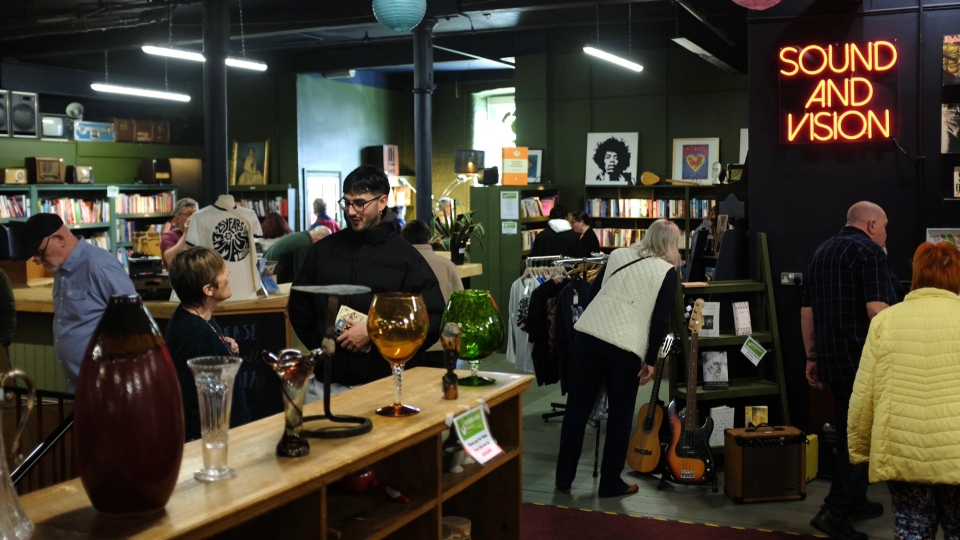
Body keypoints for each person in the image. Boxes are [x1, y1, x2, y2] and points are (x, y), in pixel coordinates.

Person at [288, 165, 445, 394]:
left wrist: (375, 333)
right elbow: (300, 305)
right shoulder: (323, 251)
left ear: (382, 203)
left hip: (384, 386)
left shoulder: (407, 259)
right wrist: (324, 345)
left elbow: (431, 318)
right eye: (347, 202)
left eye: (360, 203)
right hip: (326, 385)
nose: (351, 211)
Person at [555, 218, 680, 498]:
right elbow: (659, 320)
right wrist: (651, 359)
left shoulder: (618, 255)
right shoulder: (667, 272)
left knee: (576, 410)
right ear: (672, 244)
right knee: (621, 416)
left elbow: (592, 294)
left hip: (587, 336)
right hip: (624, 347)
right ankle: (610, 483)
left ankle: (563, 478)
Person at [848, 242, 960, 540]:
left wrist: (858, 450)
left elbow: (863, 394)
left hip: (901, 450)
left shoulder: (886, 321)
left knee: (911, 530)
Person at [802, 201, 900, 540]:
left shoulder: (821, 252)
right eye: (885, 227)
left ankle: (855, 501)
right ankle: (835, 510)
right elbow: (877, 310)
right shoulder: (871, 253)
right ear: (871, 224)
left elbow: (809, 310)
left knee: (852, 432)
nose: (886, 234)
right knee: (858, 437)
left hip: (833, 359)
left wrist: (811, 356)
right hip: (863, 360)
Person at [16, 213, 136, 392]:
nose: (38, 261)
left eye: (40, 253)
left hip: (108, 388)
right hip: (78, 387)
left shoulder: (100, 266)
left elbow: (136, 322)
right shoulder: (59, 268)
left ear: (60, 239)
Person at [165, 246, 249, 442]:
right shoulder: (194, 334)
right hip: (216, 444)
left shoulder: (196, 317)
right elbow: (197, 407)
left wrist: (223, 346)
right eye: (222, 272)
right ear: (208, 289)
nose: (227, 272)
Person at [401, 220, 464, 366]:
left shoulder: (400, 264)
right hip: (444, 343)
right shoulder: (448, 265)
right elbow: (459, 305)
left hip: (411, 343)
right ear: (429, 239)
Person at [264, 225, 331, 284]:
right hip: (272, 280)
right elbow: (302, 275)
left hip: (268, 274)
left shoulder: (302, 237)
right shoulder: (304, 245)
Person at [161, 197, 198, 268]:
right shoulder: (169, 236)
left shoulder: (201, 233)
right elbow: (170, 260)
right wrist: (186, 233)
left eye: (196, 214)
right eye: (189, 214)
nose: (194, 217)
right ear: (178, 218)